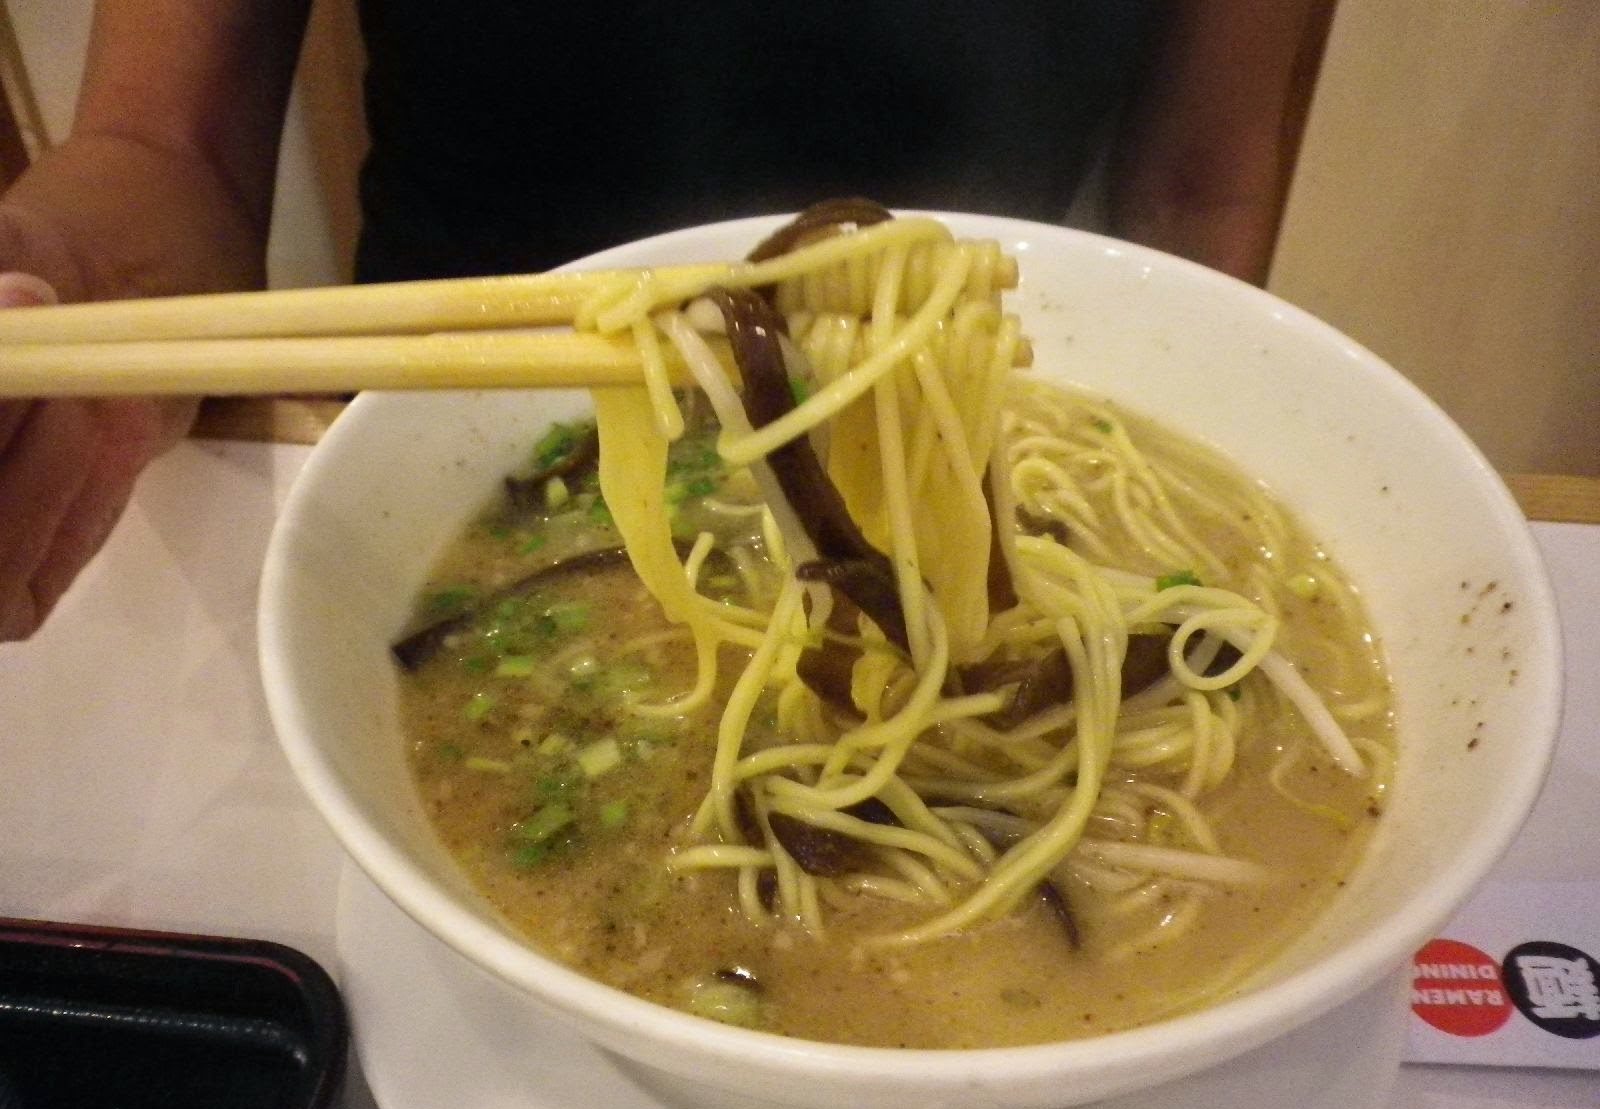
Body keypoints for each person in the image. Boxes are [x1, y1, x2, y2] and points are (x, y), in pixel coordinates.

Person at [0, 0, 1328, 642]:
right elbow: (159, 139)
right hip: (430, 438)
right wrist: (60, 271)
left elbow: (1199, 183)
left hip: (994, 455)